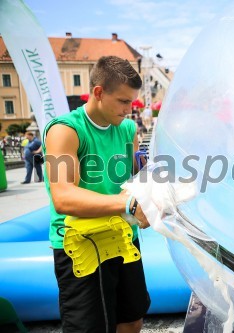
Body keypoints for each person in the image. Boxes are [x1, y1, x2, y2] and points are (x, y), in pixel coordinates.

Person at [42, 56, 151, 333]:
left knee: (132, 320)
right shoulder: (65, 130)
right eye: (123, 102)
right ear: (99, 92)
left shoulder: (127, 129)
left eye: (132, 102)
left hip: (122, 236)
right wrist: (129, 203)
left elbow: (136, 178)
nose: (130, 110)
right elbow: (64, 197)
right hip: (80, 243)